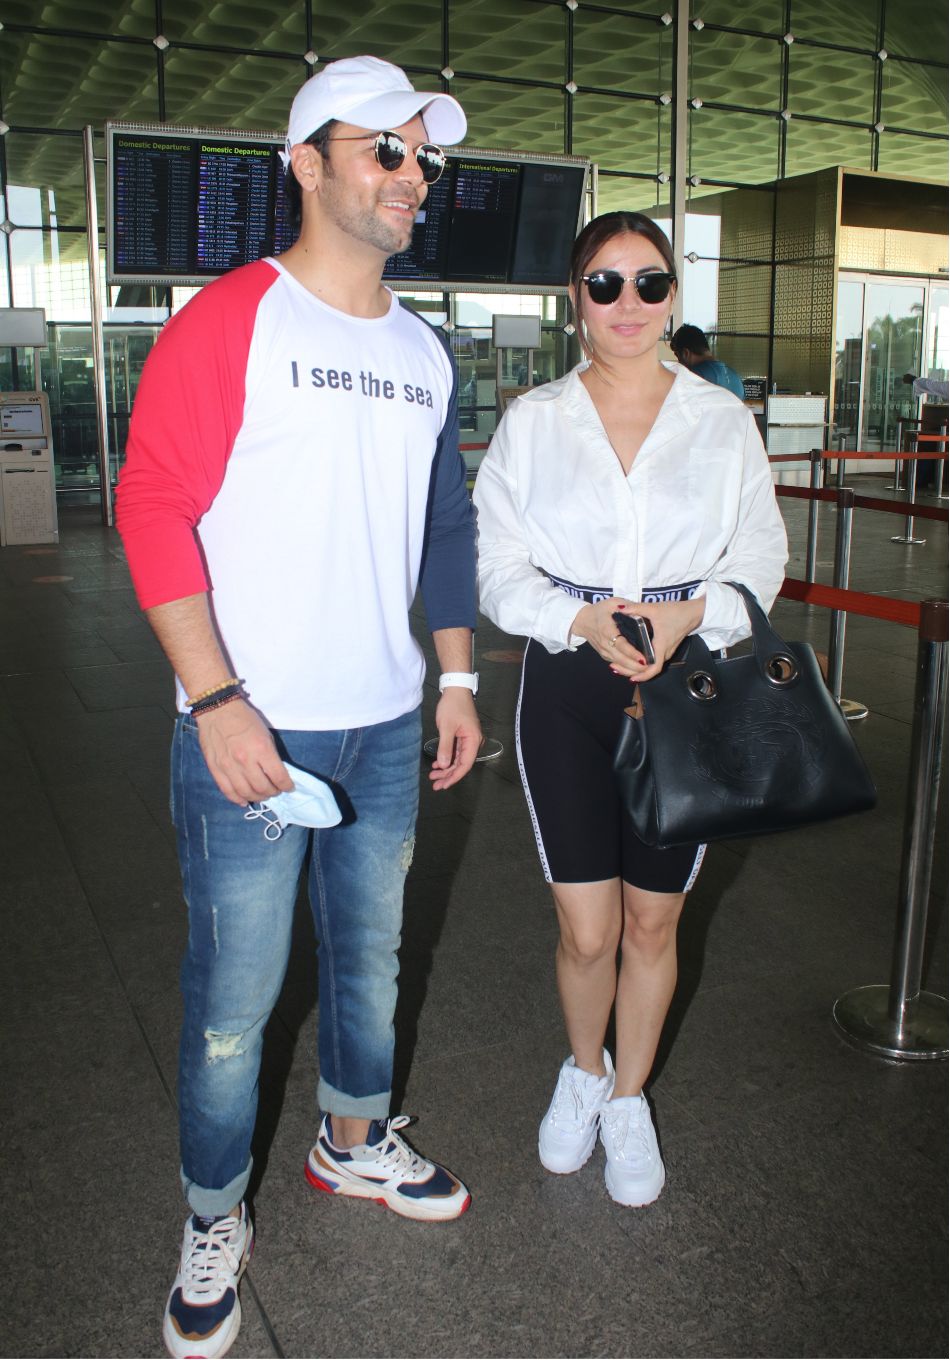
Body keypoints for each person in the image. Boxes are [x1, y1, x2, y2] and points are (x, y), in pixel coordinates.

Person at [116, 55, 481, 1360]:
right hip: (250, 728)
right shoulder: (233, 320)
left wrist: (454, 676)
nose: (410, 175)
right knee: (235, 1000)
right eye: (383, 148)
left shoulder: (423, 351)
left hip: (384, 725)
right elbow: (151, 505)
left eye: (421, 155)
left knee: (372, 962)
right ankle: (213, 1213)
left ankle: (349, 1141)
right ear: (305, 162)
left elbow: (442, 527)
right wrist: (216, 700)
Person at [473, 211, 787, 1209]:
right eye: (603, 283)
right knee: (585, 930)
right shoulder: (534, 421)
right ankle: (583, 1068)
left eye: (648, 283)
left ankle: (627, 1095)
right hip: (567, 683)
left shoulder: (719, 420)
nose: (627, 303)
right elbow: (496, 566)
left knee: (653, 922)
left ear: (670, 296)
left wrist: (693, 612)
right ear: (575, 299)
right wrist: (575, 618)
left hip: (684, 685)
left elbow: (760, 555)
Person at [670, 322, 746, 399]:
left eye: (678, 356)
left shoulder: (695, 376)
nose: (679, 362)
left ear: (685, 353)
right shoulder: (736, 378)